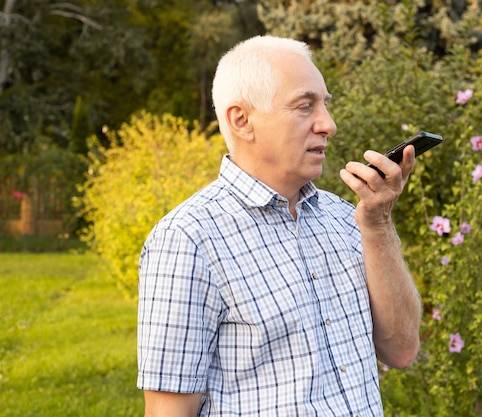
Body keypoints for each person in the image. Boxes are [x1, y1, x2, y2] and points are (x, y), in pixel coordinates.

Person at [137, 35, 422, 417]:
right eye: (305, 106)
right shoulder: (188, 238)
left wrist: (378, 225)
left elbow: (402, 350)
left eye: (325, 105)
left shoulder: (345, 218)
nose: (329, 125)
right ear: (242, 121)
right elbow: (169, 411)